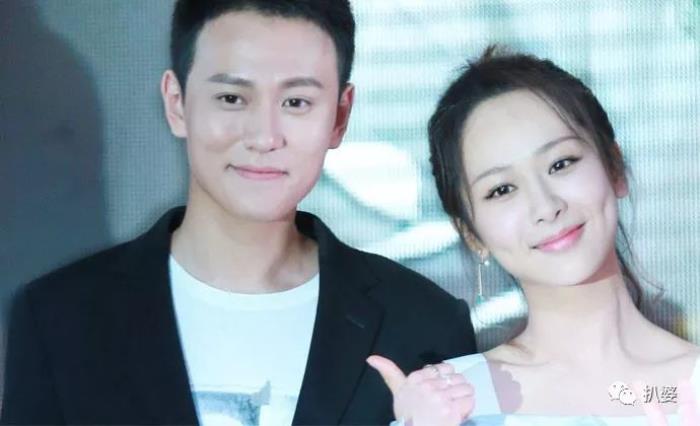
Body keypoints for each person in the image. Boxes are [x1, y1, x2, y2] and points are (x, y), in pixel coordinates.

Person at [0, 1, 477, 424]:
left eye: (296, 102)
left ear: (339, 116)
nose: (264, 136)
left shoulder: (422, 323)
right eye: (231, 98)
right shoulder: (60, 319)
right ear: (177, 104)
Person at [368, 47, 700, 425]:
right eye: (502, 189)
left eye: (561, 163)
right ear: (471, 233)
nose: (545, 206)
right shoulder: (450, 402)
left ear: (615, 167)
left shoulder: (690, 385)